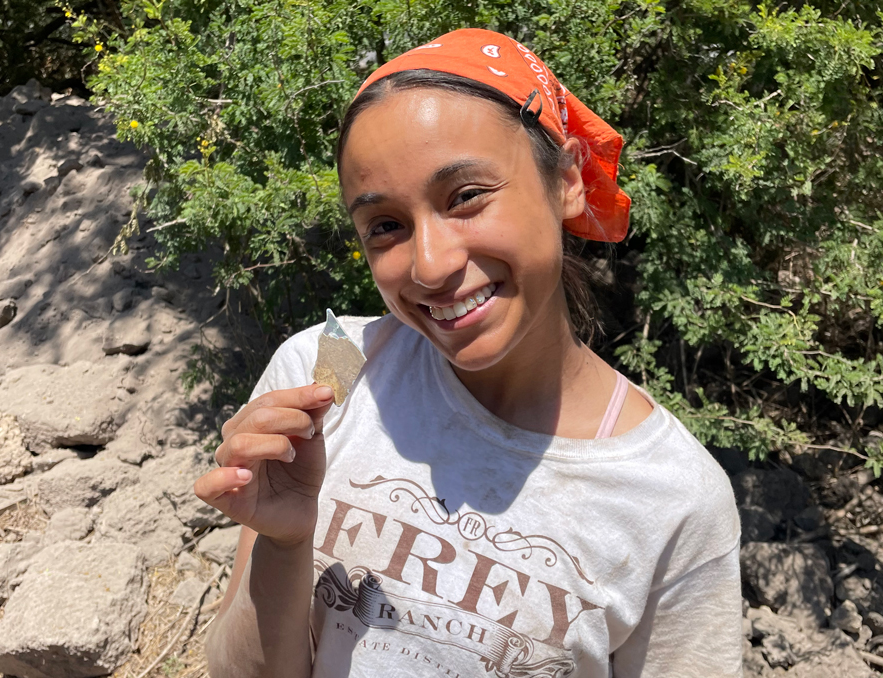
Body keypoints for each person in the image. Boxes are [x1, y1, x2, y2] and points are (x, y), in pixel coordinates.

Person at [194, 28, 743, 678]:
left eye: (466, 197)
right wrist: (285, 543)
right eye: (386, 226)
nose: (430, 266)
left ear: (567, 179)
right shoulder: (328, 363)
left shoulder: (674, 496)